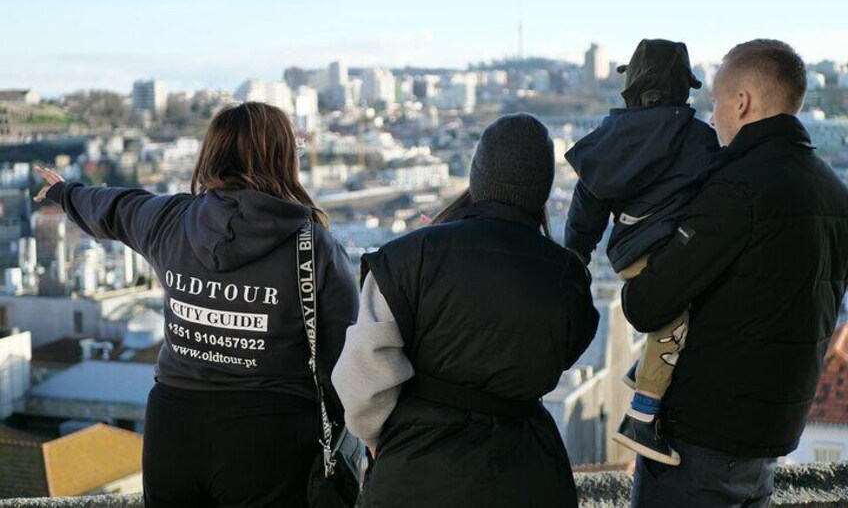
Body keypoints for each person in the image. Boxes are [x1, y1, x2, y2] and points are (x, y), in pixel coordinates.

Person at [34, 102, 358, 508]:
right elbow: (346, 359)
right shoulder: (312, 247)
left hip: (174, 424)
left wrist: (66, 193)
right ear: (284, 158)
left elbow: (113, 209)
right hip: (270, 431)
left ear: (211, 153)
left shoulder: (170, 219)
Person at [331, 114, 600, 508]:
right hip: (529, 474)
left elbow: (361, 376)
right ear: (543, 190)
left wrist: (381, 440)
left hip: (416, 474)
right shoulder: (568, 275)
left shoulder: (408, 257)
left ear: (477, 176)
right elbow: (567, 352)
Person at [622, 39, 848, 507]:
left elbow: (647, 305)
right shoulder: (832, 192)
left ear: (741, 103)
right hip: (771, 438)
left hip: (700, 440)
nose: (712, 115)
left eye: (716, 102)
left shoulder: (737, 188)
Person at [564, 39, 726, 465]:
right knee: (678, 321)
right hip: (669, 250)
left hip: (627, 251)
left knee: (669, 320)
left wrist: (577, 252)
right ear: (683, 88)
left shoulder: (610, 136)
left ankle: (644, 370)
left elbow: (587, 201)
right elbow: (719, 198)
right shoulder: (697, 139)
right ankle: (642, 416)